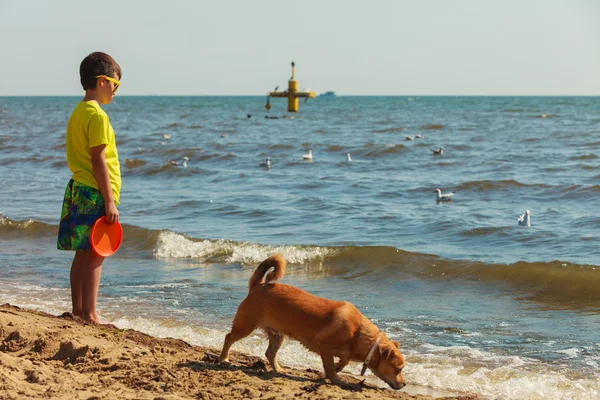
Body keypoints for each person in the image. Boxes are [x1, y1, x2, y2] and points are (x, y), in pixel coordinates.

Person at [57, 52, 122, 324]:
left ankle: (78, 310)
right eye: (115, 85)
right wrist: (109, 200)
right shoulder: (97, 116)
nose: (116, 92)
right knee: (96, 254)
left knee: (82, 254)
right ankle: (91, 313)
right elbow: (98, 160)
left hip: (78, 188)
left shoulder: (78, 111)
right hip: (94, 192)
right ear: (102, 81)